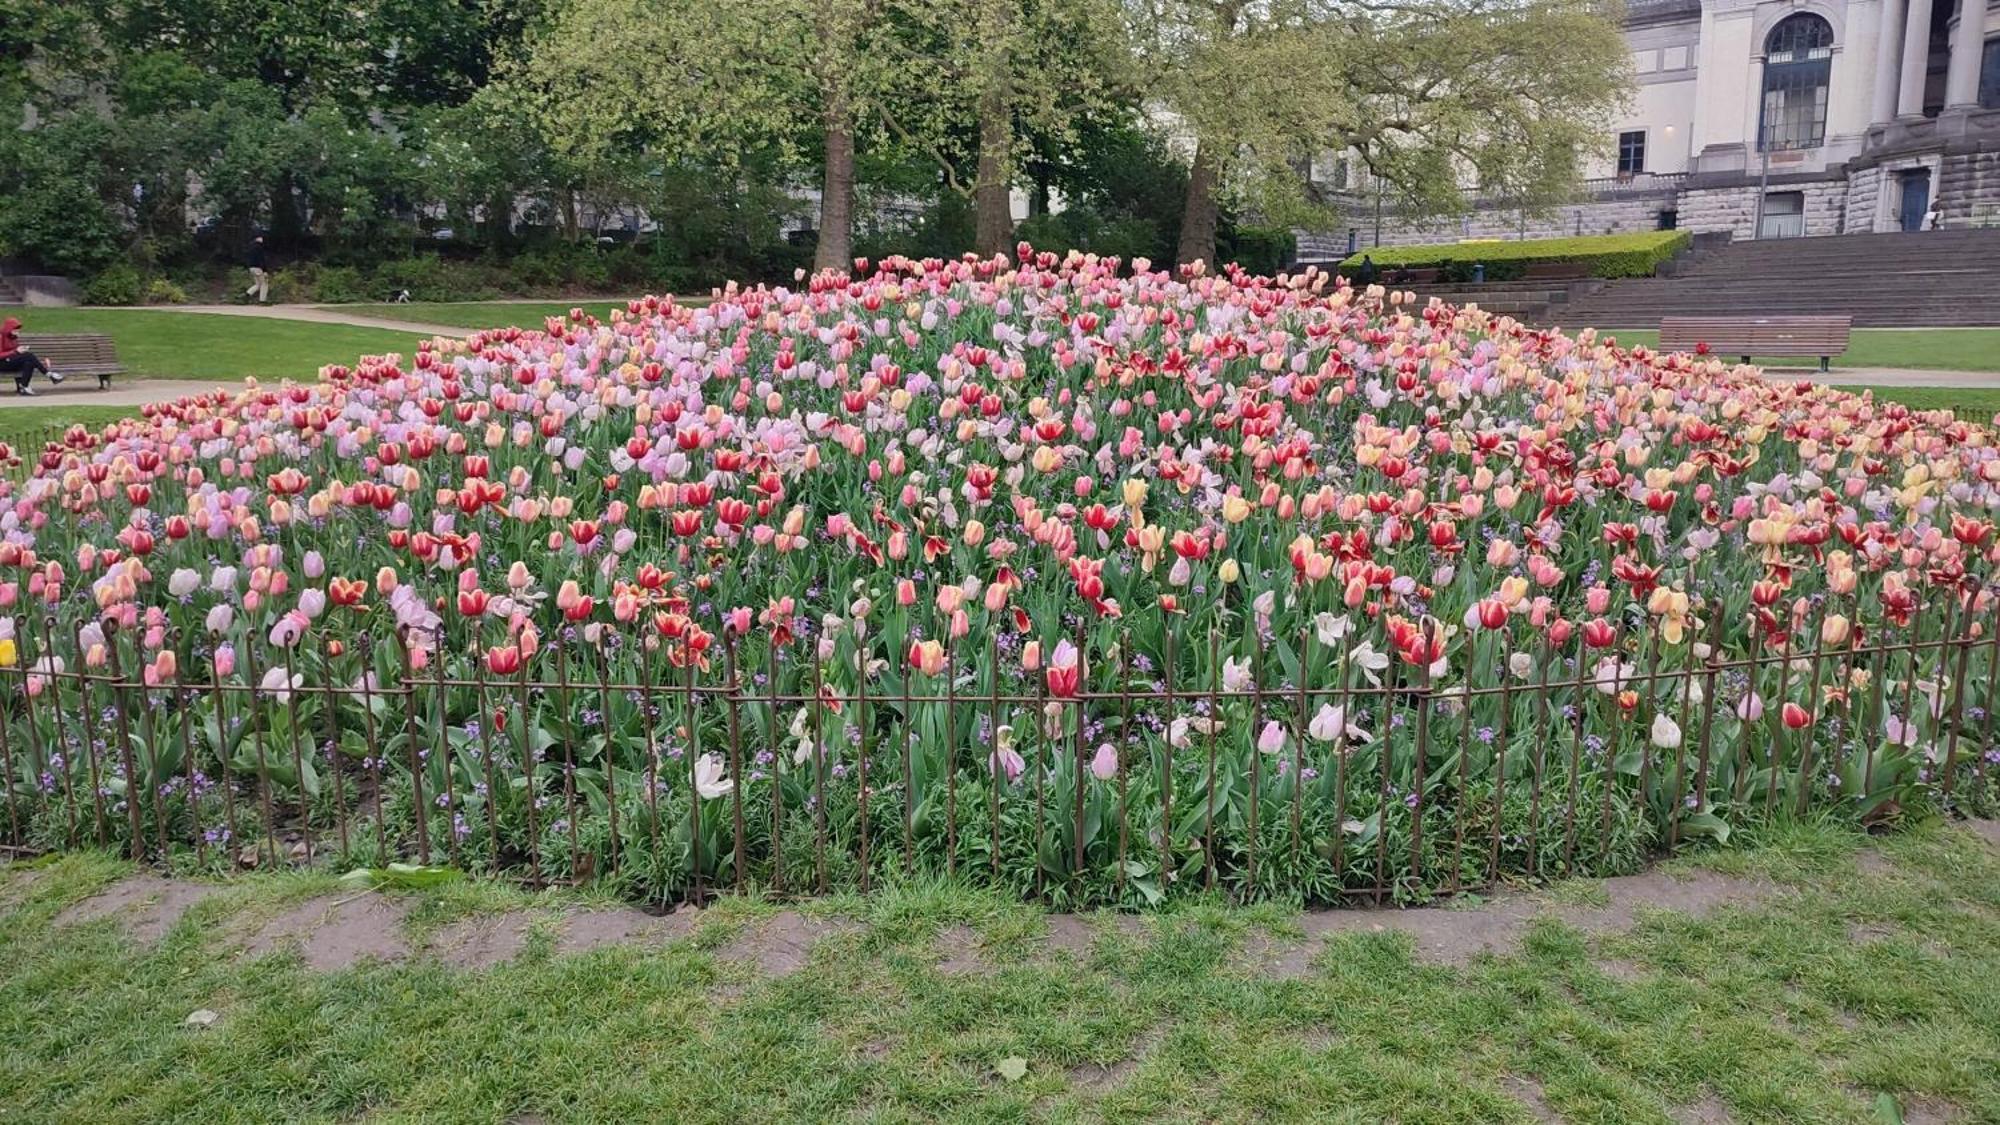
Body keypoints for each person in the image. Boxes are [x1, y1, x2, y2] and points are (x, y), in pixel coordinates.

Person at [0, 317, 66, 396]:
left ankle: (24, 387)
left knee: (29, 362)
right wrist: (15, 351)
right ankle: (49, 374)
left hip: (10, 362)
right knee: (29, 356)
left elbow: (14, 351)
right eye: (15, 331)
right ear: (8, 330)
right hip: (2, 363)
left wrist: (20, 350)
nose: (17, 332)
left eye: (18, 331)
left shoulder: (13, 338)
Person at [244, 235, 270, 303]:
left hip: (251, 268)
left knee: (258, 284)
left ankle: (247, 294)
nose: (262, 239)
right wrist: (265, 270)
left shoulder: (251, 247)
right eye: (261, 237)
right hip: (257, 268)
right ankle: (262, 301)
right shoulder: (259, 247)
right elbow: (261, 259)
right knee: (265, 283)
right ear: (257, 238)